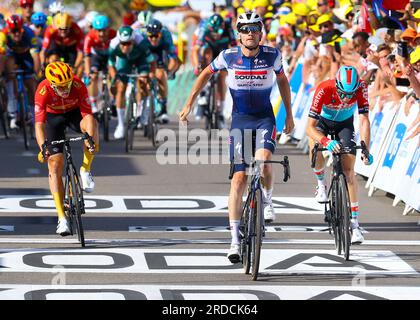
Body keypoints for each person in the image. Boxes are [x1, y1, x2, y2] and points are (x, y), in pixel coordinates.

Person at [179, 11, 294, 263]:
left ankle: (268, 201)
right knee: (239, 178)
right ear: (238, 33)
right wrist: (189, 102)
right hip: (240, 120)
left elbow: (283, 82)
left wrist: (289, 115)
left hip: (264, 118)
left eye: (255, 28)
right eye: (245, 29)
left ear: (261, 32)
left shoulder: (272, 55)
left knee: (263, 162)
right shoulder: (228, 56)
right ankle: (234, 241)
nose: (250, 33)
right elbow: (204, 75)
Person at [306, 65, 373, 245]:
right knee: (315, 148)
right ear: (336, 84)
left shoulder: (361, 88)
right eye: (343, 93)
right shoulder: (324, 88)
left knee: (349, 171)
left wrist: (366, 148)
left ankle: (355, 224)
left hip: (345, 124)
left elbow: (364, 119)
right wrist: (326, 142)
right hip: (322, 123)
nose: (346, 98)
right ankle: (321, 184)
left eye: (351, 95)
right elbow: (309, 128)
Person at [35, 61, 99, 236]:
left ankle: (85, 169)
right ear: (52, 84)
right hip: (53, 118)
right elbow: (39, 125)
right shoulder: (42, 90)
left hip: (74, 113)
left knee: (92, 125)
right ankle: (62, 218)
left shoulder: (78, 85)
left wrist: (90, 140)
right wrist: (43, 147)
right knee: (55, 165)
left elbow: (87, 115)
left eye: (68, 85)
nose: (66, 89)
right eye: (61, 87)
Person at [108, 26, 156, 139]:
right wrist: (115, 77)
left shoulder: (142, 43)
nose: (125, 46)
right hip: (124, 61)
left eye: (128, 43)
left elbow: (152, 62)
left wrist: (151, 75)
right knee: (120, 88)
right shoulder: (113, 45)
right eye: (123, 43)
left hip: (140, 60)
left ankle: (144, 111)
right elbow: (111, 64)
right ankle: (120, 124)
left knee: (143, 81)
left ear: (133, 41)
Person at [144, 19, 180, 124]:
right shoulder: (140, 36)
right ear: (147, 34)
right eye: (151, 36)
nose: (154, 39)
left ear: (161, 33)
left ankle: (163, 108)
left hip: (160, 53)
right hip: (145, 53)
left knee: (160, 75)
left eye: (156, 36)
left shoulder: (166, 36)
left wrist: (168, 71)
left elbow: (174, 59)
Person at [83, 14, 116, 113]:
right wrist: (88, 72)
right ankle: (93, 103)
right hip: (96, 57)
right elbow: (87, 56)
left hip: (109, 56)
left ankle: (113, 100)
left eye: (104, 30)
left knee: (113, 75)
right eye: (99, 31)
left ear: (108, 29)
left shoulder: (114, 34)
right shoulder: (89, 37)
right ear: (94, 30)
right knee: (93, 77)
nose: (101, 34)